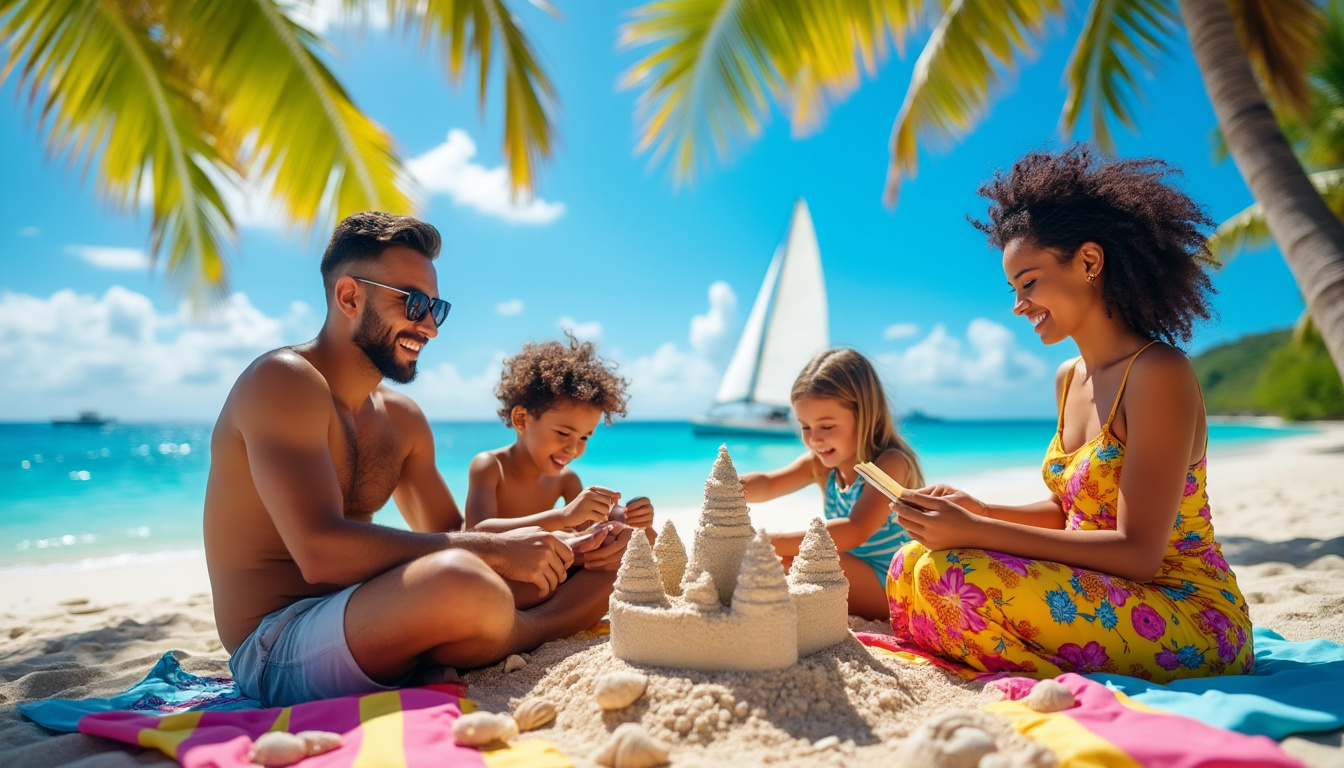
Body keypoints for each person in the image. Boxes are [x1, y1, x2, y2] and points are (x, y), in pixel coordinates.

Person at [204, 212, 618, 708]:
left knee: (614, 550)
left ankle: (473, 635)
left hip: (372, 607)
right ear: (350, 297)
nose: (429, 328)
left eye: (436, 308)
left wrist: (563, 531)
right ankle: (526, 630)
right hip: (277, 644)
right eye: (414, 304)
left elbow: (451, 531)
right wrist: (499, 552)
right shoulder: (283, 381)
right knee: (464, 582)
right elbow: (320, 553)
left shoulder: (402, 420)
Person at [886, 146, 1253, 682]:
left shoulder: (1158, 373)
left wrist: (977, 531)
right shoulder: (1068, 378)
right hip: (1106, 590)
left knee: (955, 575)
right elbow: (1071, 511)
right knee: (908, 566)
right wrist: (980, 508)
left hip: (1183, 608)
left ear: (1088, 262)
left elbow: (1138, 553)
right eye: (1014, 289)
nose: (1018, 305)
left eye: (1029, 282)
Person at [740, 349, 925, 620]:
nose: (814, 439)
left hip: (896, 585)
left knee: (796, 564)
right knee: (785, 564)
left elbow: (856, 529)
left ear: (864, 416)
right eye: (805, 427)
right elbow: (769, 484)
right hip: (856, 571)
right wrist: (730, 488)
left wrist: (771, 542)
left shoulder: (890, 464)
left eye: (826, 427)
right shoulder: (820, 465)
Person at [465, 336, 653, 560]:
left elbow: (588, 523)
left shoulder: (566, 480)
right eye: (563, 433)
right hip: (493, 570)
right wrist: (563, 517)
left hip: (540, 570)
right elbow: (475, 533)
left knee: (643, 539)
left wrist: (629, 515)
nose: (573, 449)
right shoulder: (490, 466)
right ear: (522, 419)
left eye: (584, 437)